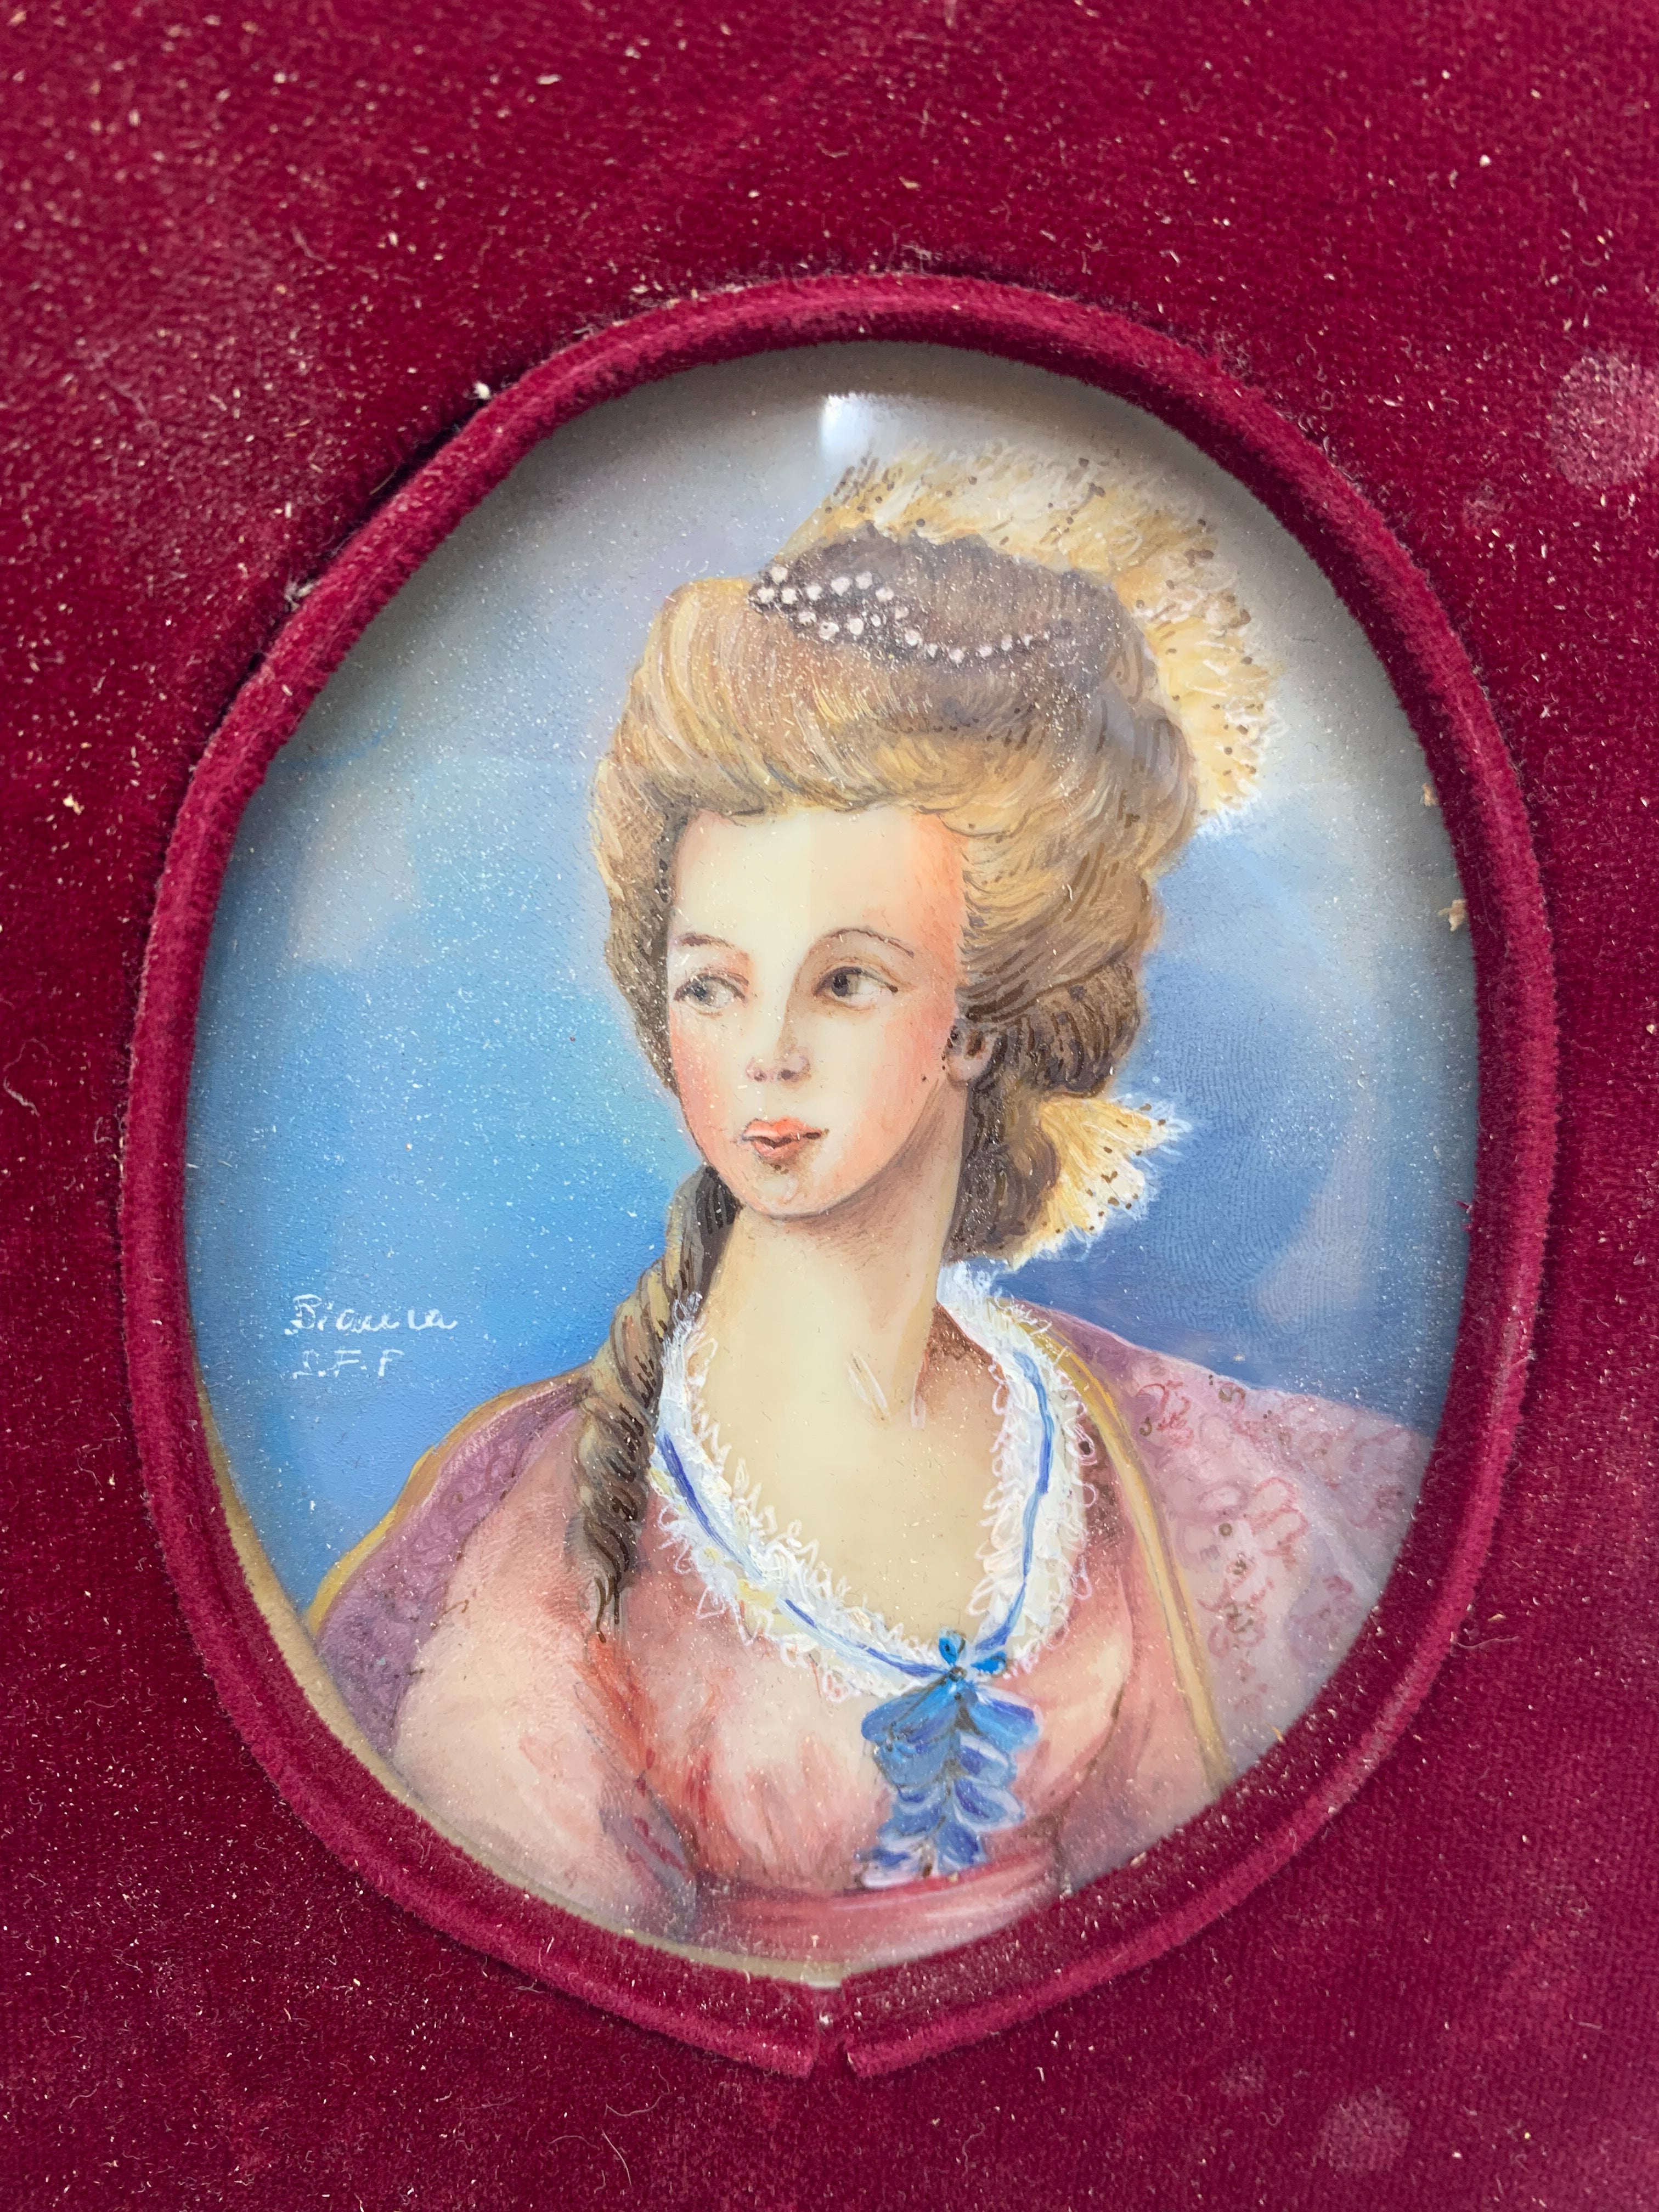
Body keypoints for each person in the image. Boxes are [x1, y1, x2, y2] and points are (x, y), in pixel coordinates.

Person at [307, 447, 1424, 1970]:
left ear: (978, 1018)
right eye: (714, 985)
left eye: (846, 981)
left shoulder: (1133, 1454)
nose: (767, 1051)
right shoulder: (578, 1516)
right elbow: (512, 1979)